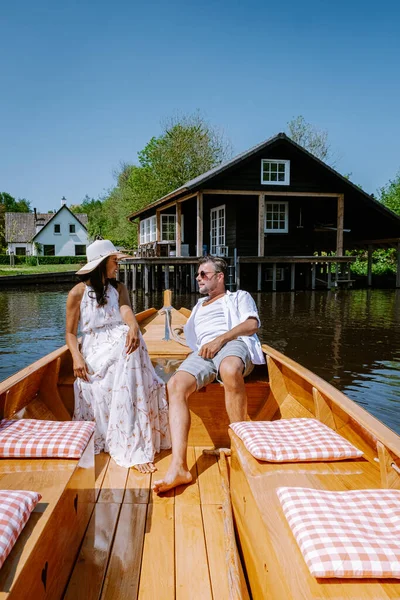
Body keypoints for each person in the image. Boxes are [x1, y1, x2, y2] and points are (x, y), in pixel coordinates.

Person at [153, 255, 264, 493]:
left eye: (204, 274)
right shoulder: (197, 307)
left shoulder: (238, 297)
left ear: (220, 277)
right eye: (197, 275)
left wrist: (220, 339)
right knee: (175, 385)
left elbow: (252, 325)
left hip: (233, 343)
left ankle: (239, 449)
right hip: (204, 352)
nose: (198, 278)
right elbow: (196, 342)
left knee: (229, 368)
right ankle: (179, 467)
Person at [66, 239, 171, 473]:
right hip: (95, 347)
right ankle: (131, 442)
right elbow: (70, 333)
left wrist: (134, 326)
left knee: (130, 342)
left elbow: (125, 310)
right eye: (114, 261)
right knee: (128, 351)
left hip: (120, 343)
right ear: (102, 263)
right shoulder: (77, 293)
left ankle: (133, 437)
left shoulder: (119, 288)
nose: (118, 265)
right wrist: (76, 357)